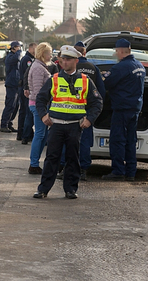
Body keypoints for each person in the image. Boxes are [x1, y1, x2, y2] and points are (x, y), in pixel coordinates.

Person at [33, 45, 102, 199]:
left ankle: (70, 189)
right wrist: (44, 115)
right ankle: (43, 189)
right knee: (52, 158)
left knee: (73, 158)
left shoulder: (85, 81)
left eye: (68, 59)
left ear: (76, 61)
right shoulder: (54, 79)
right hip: (56, 125)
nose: (64, 62)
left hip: (74, 126)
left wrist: (90, 119)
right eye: (63, 59)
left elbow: (97, 102)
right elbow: (40, 99)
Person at [102, 39, 146, 181]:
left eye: (116, 51)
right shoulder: (140, 66)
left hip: (122, 109)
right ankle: (131, 172)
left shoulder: (121, 67)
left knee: (117, 140)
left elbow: (107, 83)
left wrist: (103, 76)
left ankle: (118, 171)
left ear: (121, 51)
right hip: (135, 109)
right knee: (131, 141)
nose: (116, 53)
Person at [74, 41, 106, 181]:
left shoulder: (71, 67)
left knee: (68, 141)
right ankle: (83, 169)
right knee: (85, 141)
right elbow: (101, 91)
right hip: (86, 111)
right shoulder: (93, 68)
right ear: (85, 53)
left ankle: (65, 168)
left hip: (70, 110)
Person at [27, 42, 53, 174]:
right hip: (38, 106)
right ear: (43, 54)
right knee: (40, 134)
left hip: (40, 105)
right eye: (49, 53)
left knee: (42, 134)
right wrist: (42, 110)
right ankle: (34, 164)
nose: (51, 56)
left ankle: (35, 163)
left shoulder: (40, 66)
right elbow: (38, 92)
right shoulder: (38, 68)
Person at [0, 41, 22, 133]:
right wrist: (19, 52)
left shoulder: (15, 56)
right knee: (10, 105)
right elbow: (16, 58)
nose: (19, 49)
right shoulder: (10, 57)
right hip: (11, 84)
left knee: (16, 106)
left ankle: (9, 123)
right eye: (18, 47)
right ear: (14, 48)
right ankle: (4, 124)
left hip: (16, 84)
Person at [17, 43, 36, 143]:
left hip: (25, 87)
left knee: (25, 111)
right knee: (24, 111)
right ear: (30, 48)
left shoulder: (30, 58)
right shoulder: (27, 59)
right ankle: (22, 133)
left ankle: (24, 133)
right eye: (35, 49)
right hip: (25, 88)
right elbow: (27, 74)